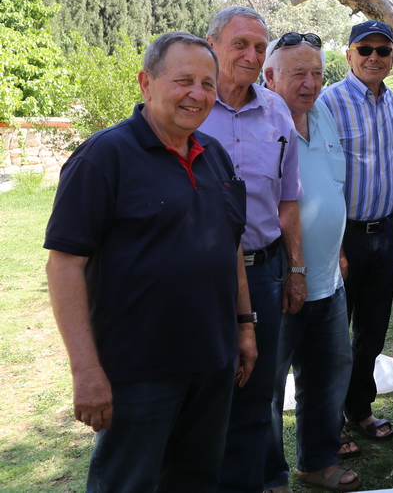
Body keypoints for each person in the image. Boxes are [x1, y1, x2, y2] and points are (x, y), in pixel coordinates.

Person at [44, 32, 252, 492]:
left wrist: (244, 327)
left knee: (196, 481)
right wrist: (85, 371)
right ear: (146, 83)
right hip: (138, 372)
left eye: (207, 83)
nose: (197, 94)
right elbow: (64, 265)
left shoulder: (213, 155)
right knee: (129, 483)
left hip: (212, 361)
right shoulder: (103, 157)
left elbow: (230, 244)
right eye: (183, 81)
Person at [202, 7, 306, 493]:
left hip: (263, 273)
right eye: (240, 43)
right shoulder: (189, 106)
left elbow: (288, 200)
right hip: (200, 277)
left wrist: (296, 270)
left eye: (260, 47)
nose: (251, 54)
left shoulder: (277, 111)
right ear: (212, 44)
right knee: (201, 395)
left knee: (255, 394)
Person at [263, 33, 358, 492]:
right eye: (298, 73)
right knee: (267, 385)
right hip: (280, 277)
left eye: (317, 73)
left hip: (328, 279)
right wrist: (296, 270)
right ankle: (269, 476)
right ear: (270, 76)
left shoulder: (321, 115)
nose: (310, 83)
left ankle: (317, 461)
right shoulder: (262, 122)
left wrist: (336, 248)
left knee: (328, 374)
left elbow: (330, 188)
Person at [318, 20, 393, 443]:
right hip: (344, 236)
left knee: (372, 331)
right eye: (364, 49)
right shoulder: (328, 102)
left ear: (392, 58)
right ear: (349, 54)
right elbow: (317, 173)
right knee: (333, 336)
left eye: (382, 50)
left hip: (385, 233)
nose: (373, 57)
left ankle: (359, 408)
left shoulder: (392, 101)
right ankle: (328, 424)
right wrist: (334, 244)